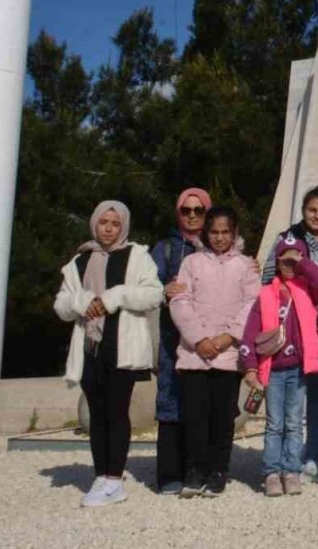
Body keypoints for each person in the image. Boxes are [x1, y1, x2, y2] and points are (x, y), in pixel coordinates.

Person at [53, 200, 163, 508]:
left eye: (115, 224)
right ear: (94, 224)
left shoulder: (137, 255)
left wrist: (115, 297)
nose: (109, 228)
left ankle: (115, 479)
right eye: (104, 222)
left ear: (123, 226)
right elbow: (61, 304)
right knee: (97, 413)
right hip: (90, 347)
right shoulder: (80, 260)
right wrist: (82, 301)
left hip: (121, 346)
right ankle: (101, 473)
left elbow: (154, 294)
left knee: (116, 411)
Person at [169, 206, 257, 498]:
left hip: (228, 354)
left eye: (225, 232)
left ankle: (219, 469)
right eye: (214, 232)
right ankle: (194, 469)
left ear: (234, 233)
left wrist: (226, 337)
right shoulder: (192, 262)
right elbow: (180, 301)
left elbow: (251, 304)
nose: (219, 237)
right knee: (195, 416)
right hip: (195, 354)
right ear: (206, 233)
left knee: (222, 417)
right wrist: (198, 339)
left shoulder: (245, 266)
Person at [261, 186, 318, 482]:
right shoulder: (287, 239)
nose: (317, 216)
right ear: (303, 211)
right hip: (294, 323)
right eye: (312, 210)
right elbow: (269, 275)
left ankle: (312, 456)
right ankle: (286, 461)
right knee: (293, 394)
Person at [240, 234, 318, 497]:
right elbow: (250, 332)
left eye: (294, 261)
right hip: (274, 370)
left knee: (294, 422)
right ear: (277, 263)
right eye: (285, 261)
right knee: (274, 423)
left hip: (298, 369)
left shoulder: (307, 291)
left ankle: (290, 470)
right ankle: (271, 471)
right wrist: (250, 367)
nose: (289, 266)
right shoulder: (266, 294)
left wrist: (302, 263)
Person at [150, 187, 211, 495]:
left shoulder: (218, 245)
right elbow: (146, 284)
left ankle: (199, 469)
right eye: (186, 210)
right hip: (173, 338)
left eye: (198, 211)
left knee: (202, 403)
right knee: (171, 399)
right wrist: (163, 290)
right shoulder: (165, 249)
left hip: (210, 339)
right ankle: (169, 473)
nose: (191, 215)